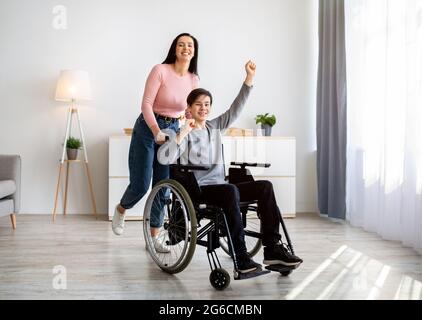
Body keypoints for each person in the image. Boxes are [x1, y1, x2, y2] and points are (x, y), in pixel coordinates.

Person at [159, 61, 303, 274]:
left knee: (265, 187)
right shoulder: (181, 132)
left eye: (207, 104)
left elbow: (236, 108)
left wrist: (249, 79)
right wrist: (183, 133)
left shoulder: (214, 126)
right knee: (230, 190)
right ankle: (241, 258)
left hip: (222, 186)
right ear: (189, 108)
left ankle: (272, 249)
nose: (204, 108)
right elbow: (165, 158)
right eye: (198, 104)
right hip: (199, 190)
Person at [112, 33, 199, 254]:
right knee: (141, 184)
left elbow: (187, 108)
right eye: (181, 44)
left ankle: (154, 238)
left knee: (164, 186)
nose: (185, 48)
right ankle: (122, 208)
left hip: (172, 130)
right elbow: (146, 104)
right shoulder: (160, 70)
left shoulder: (193, 79)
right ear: (174, 48)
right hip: (147, 128)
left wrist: (190, 119)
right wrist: (155, 131)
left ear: (194, 51)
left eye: (190, 45)